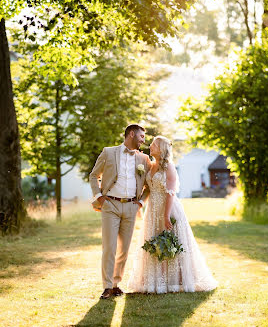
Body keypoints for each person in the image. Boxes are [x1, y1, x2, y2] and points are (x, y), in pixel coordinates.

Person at [128, 136, 218, 293]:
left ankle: (178, 280)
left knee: (172, 241)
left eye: (154, 145)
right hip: (153, 209)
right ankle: (155, 281)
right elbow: (149, 188)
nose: (151, 146)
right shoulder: (151, 166)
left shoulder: (168, 167)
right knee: (154, 242)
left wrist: (165, 216)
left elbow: (170, 193)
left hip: (168, 208)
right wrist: (141, 203)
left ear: (161, 148)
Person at [89, 124, 151, 299]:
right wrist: (99, 197)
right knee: (109, 247)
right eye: (141, 137)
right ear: (131, 134)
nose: (143, 140)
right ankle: (107, 286)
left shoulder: (144, 159)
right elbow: (93, 175)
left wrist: (139, 203)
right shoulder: (109, 152)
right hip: (111, 206)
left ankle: (116, 284)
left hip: (131, 207)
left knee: (124, 249)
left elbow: (149, 186)